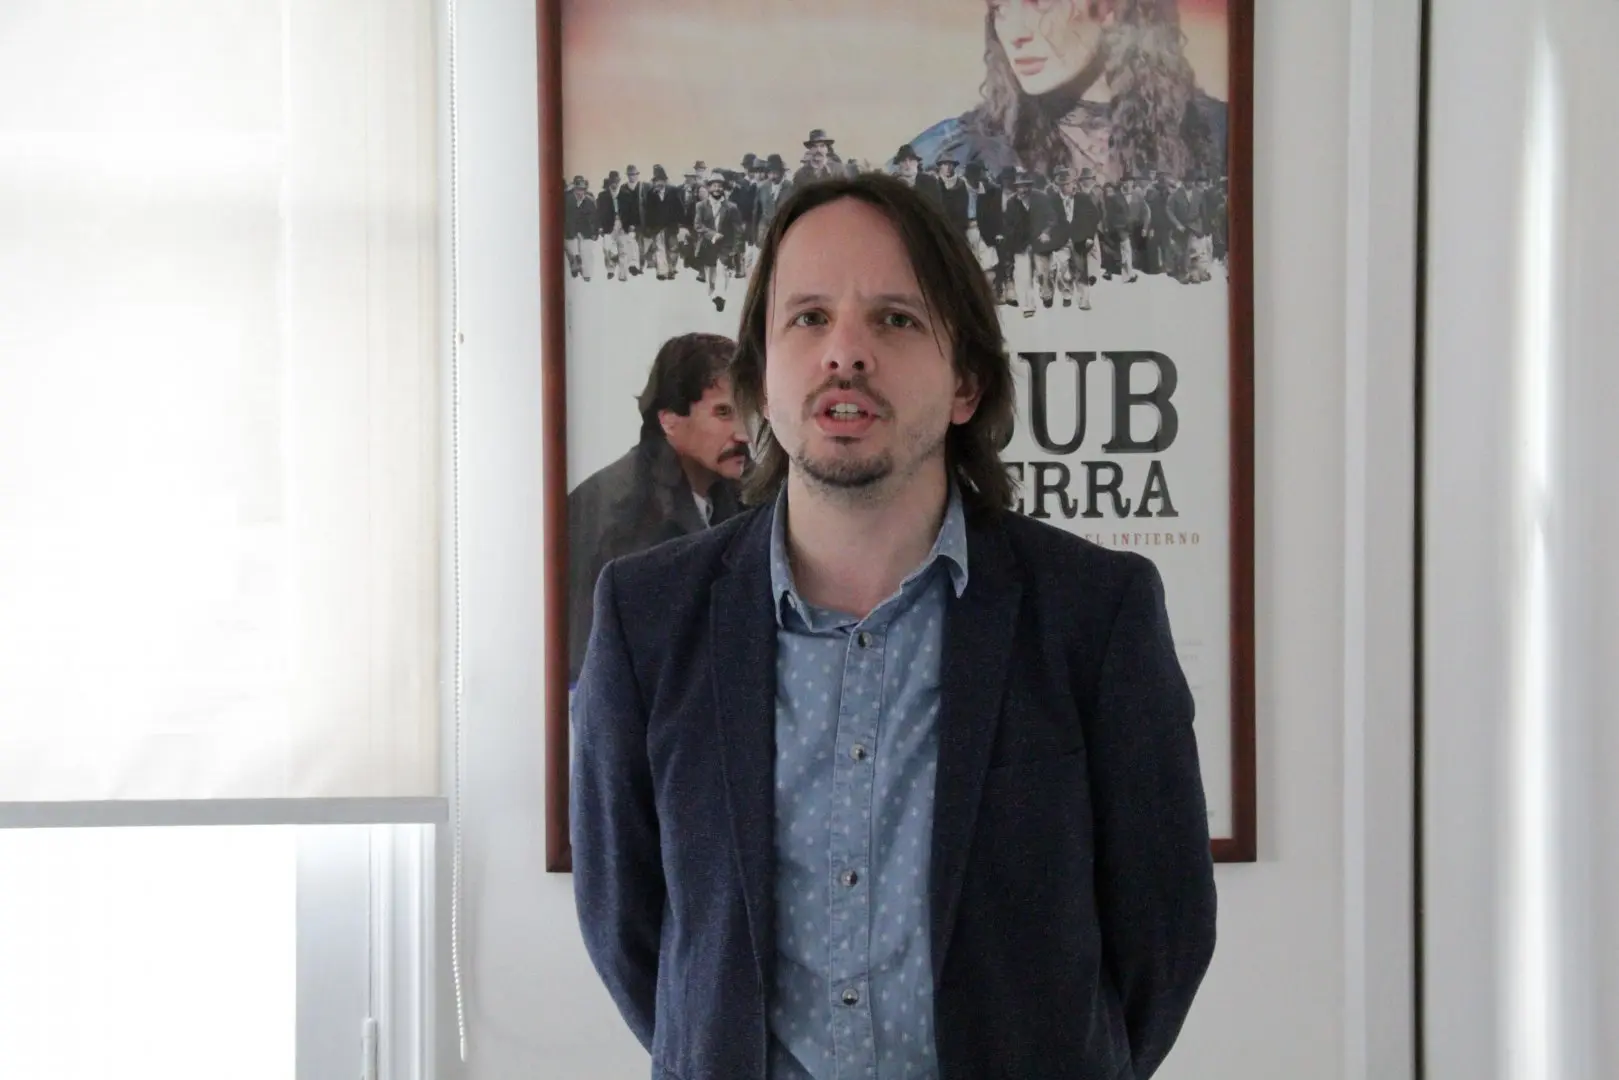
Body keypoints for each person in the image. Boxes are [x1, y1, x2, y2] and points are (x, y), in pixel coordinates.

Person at [571, 172, 1216, 1078]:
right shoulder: (645, 618)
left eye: (895, 319)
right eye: (807, 318)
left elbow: (1162, 933)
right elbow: (633, 932)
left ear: (965, 384)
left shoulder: (1095, 613)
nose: (845, 353)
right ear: (760, 379)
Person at [565, 332, 748, 685]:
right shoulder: (618, 510)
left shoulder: (740, 497)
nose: (743, 433)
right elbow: (587, 666)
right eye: (724, 412)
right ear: (669, 420)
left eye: (746, 410)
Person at [903, 0, 1226, 187]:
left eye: (1041, 3)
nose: (1015, 32)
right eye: (1000, 7)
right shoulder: (955, 155)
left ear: (1110, 8)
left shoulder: (1225, 139)